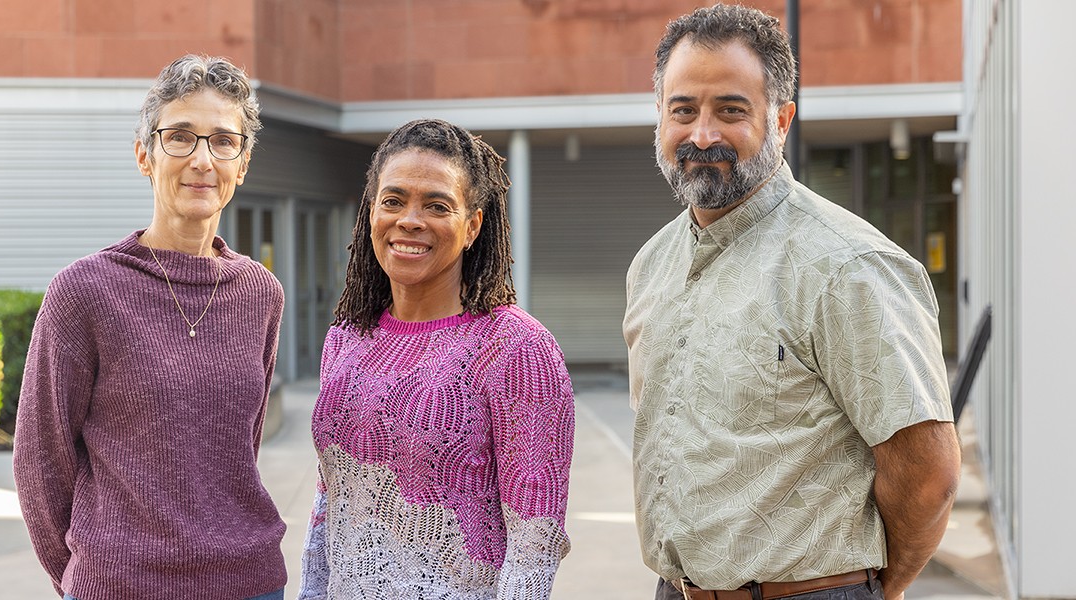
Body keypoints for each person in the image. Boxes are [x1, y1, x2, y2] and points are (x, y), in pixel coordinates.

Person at [623, 5, 961, 600]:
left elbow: (926, 476)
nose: (702, 135)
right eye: (683, 110)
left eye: (731, 110)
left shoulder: (846, 266)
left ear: (781, 120)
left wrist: (881, 587)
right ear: (659, 118)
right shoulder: (651, 265)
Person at [13, 55, 288, 600]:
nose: (203, 159)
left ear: (243, 163)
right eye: (180, 137)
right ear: (145, 154)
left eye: (222, 141)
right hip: (122, 586)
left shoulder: (261, 294)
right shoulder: (85, 291)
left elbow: (239, 447)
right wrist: (81, 577)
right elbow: (39, 461)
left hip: (249, 582)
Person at [297, 118, 575, 599]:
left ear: (472, 226)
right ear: (371, 213)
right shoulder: (346, 337)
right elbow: (330, 504)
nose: (409, 220)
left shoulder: (516, 349)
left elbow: (534, 549)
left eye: (437, 205)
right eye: (393, 200)